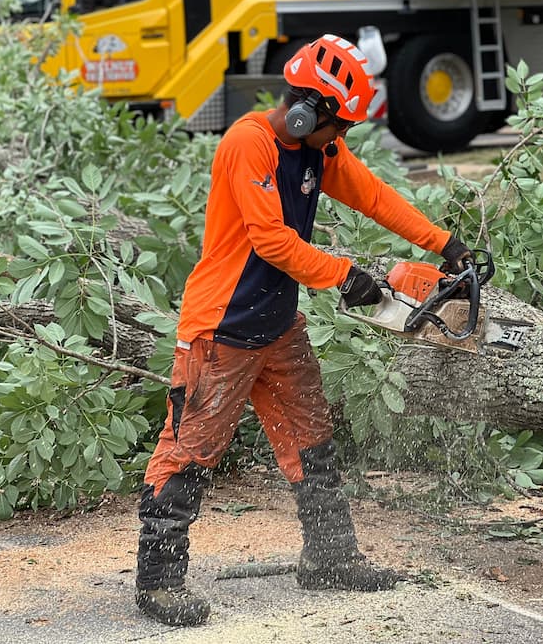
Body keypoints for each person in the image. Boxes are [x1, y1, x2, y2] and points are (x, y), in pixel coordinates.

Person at [135, 33, 474, 627]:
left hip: (276, 324)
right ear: (306, 110)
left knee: (312, 437)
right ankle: (159, 585)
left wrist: (445, 243)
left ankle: (330, 558)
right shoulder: (250, 144)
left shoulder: (317, 150)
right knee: (188, 451)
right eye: (337, 127)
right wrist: (346, 276)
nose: (340, 139)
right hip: (222, 328)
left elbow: (373, 196)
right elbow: (270, 240)